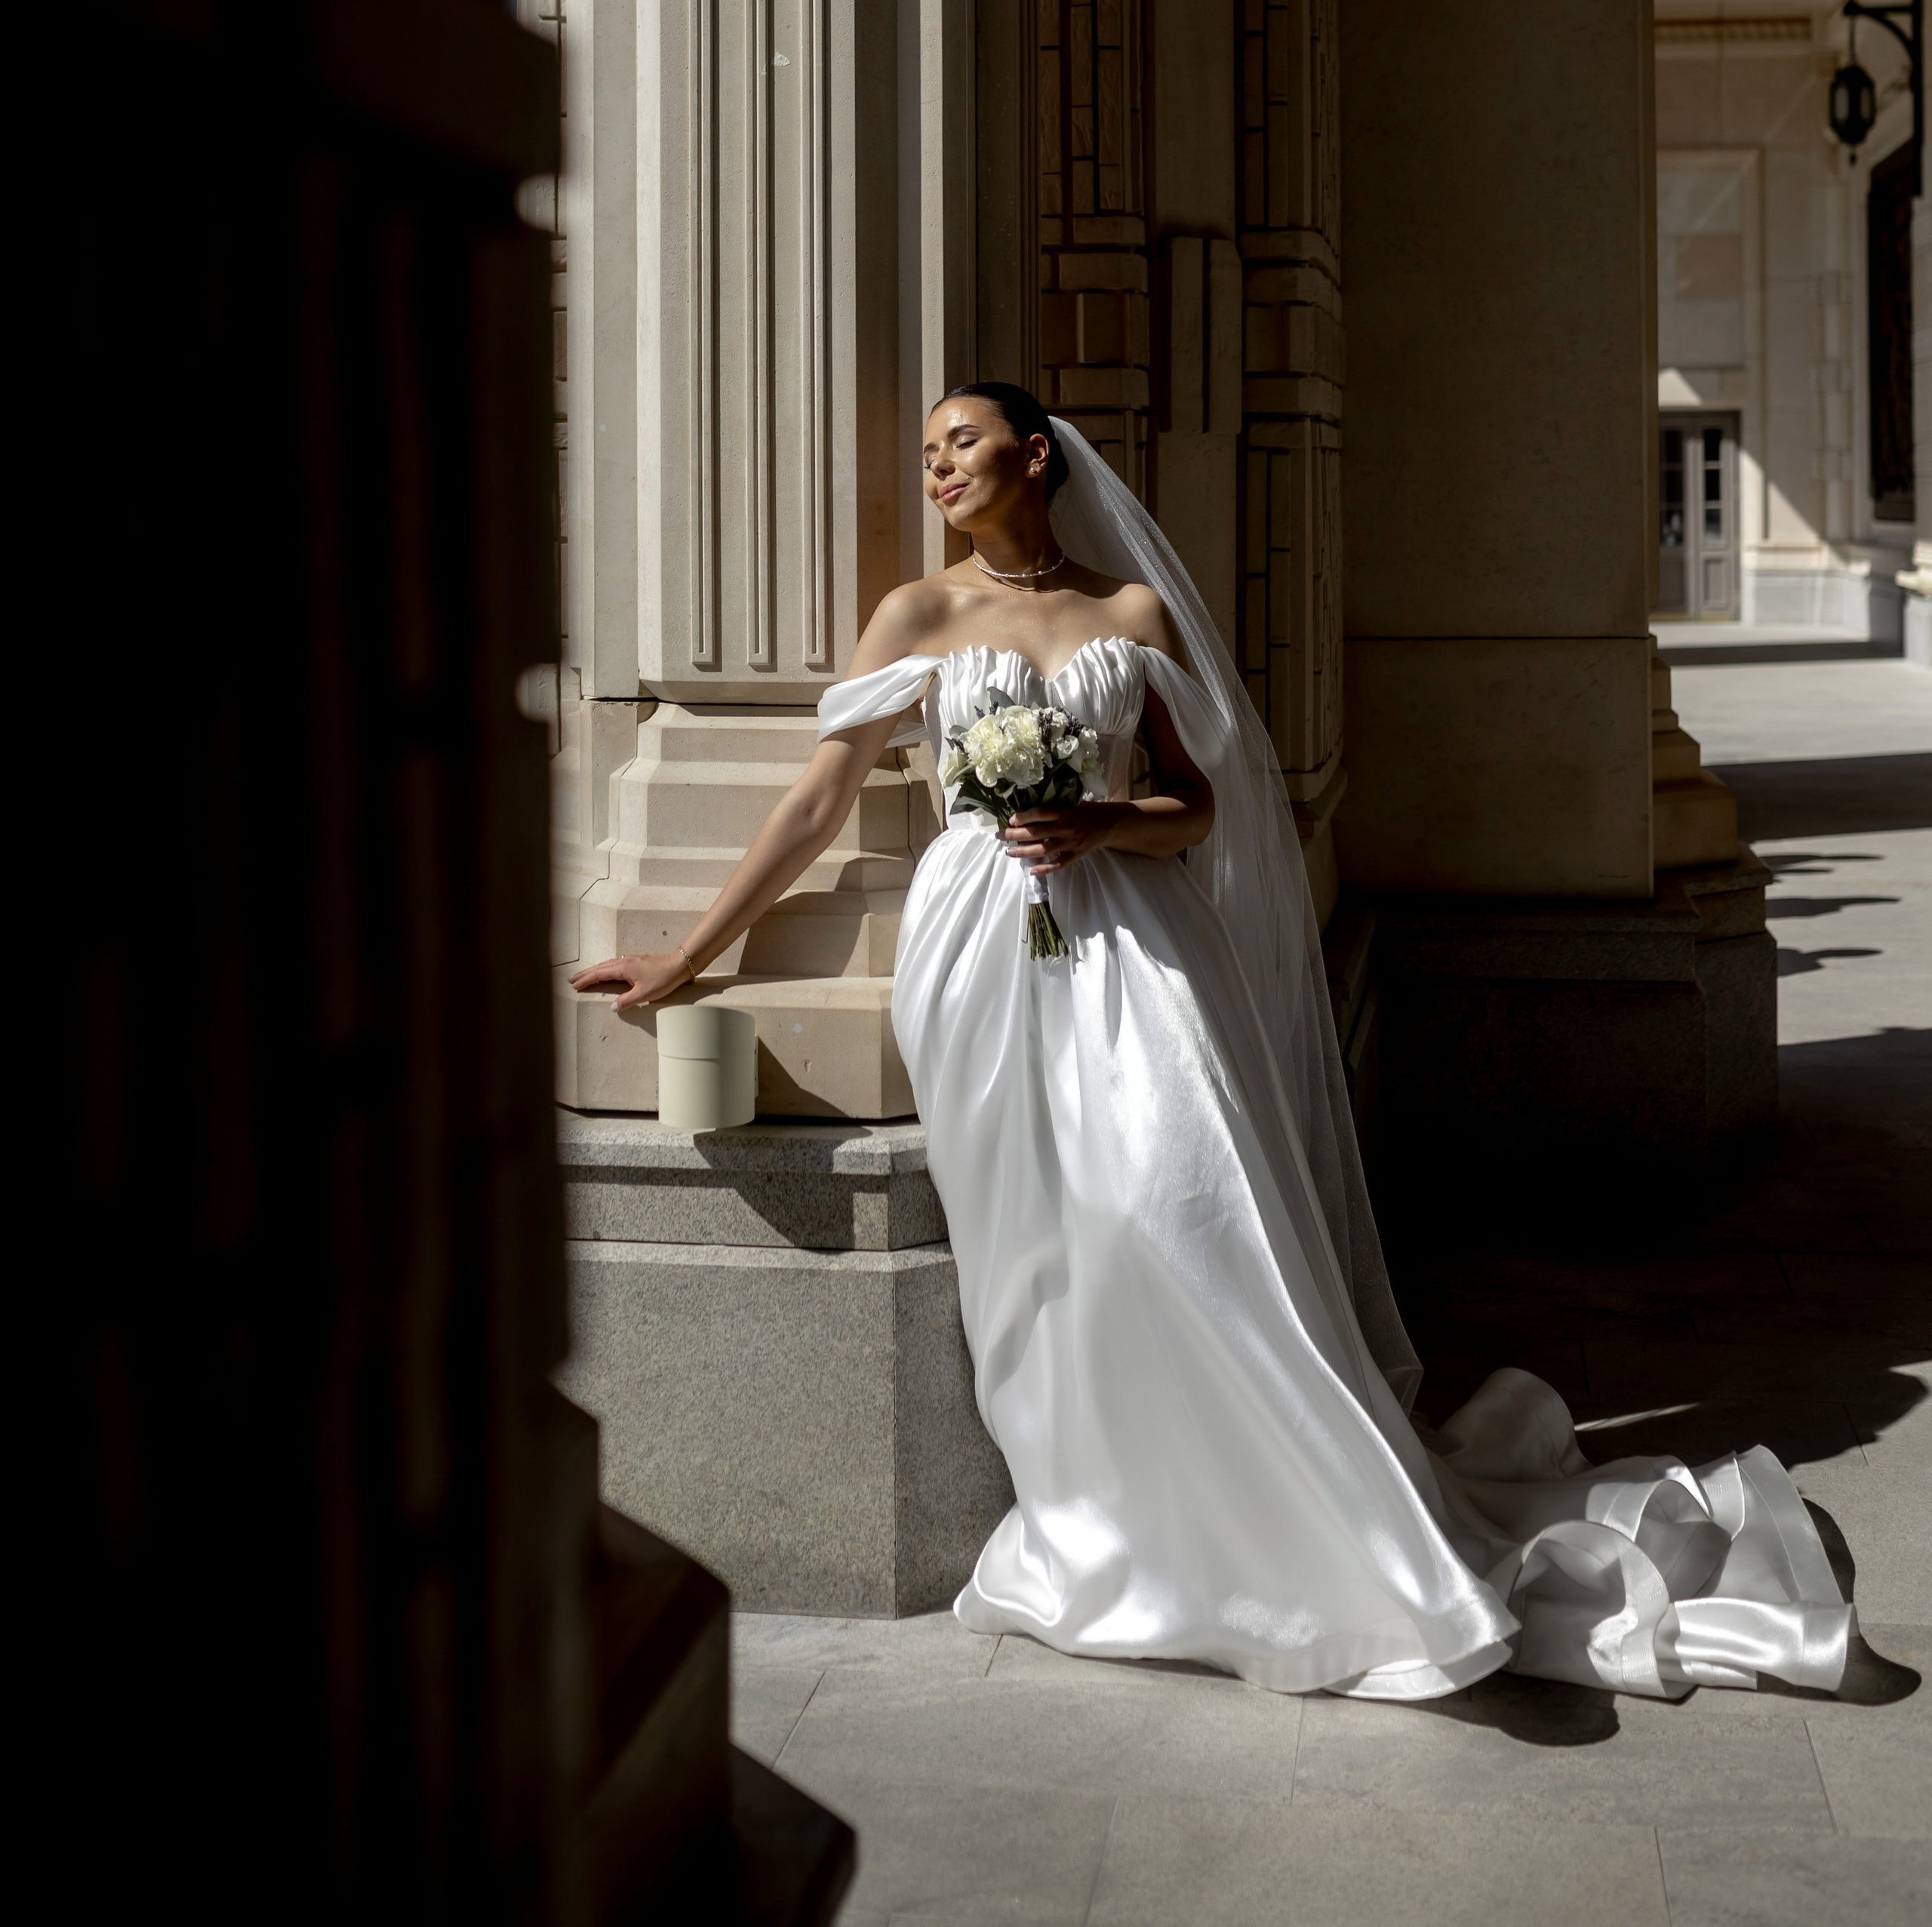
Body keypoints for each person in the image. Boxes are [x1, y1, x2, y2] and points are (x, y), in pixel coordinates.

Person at [572, 386, 1854, 1701]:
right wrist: (692, 952)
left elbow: (1196, 805)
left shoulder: (1132, 613)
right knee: (1037, 1250)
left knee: (1173, 1202)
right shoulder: (918, 614)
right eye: (929, 451)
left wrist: (1099, 823)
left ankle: (1284, 1516)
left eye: (963, 442)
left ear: (1035, 455)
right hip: (979, 950)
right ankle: (1104, 1525)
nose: (939, 466)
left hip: (1140, 937)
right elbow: (818, 800)